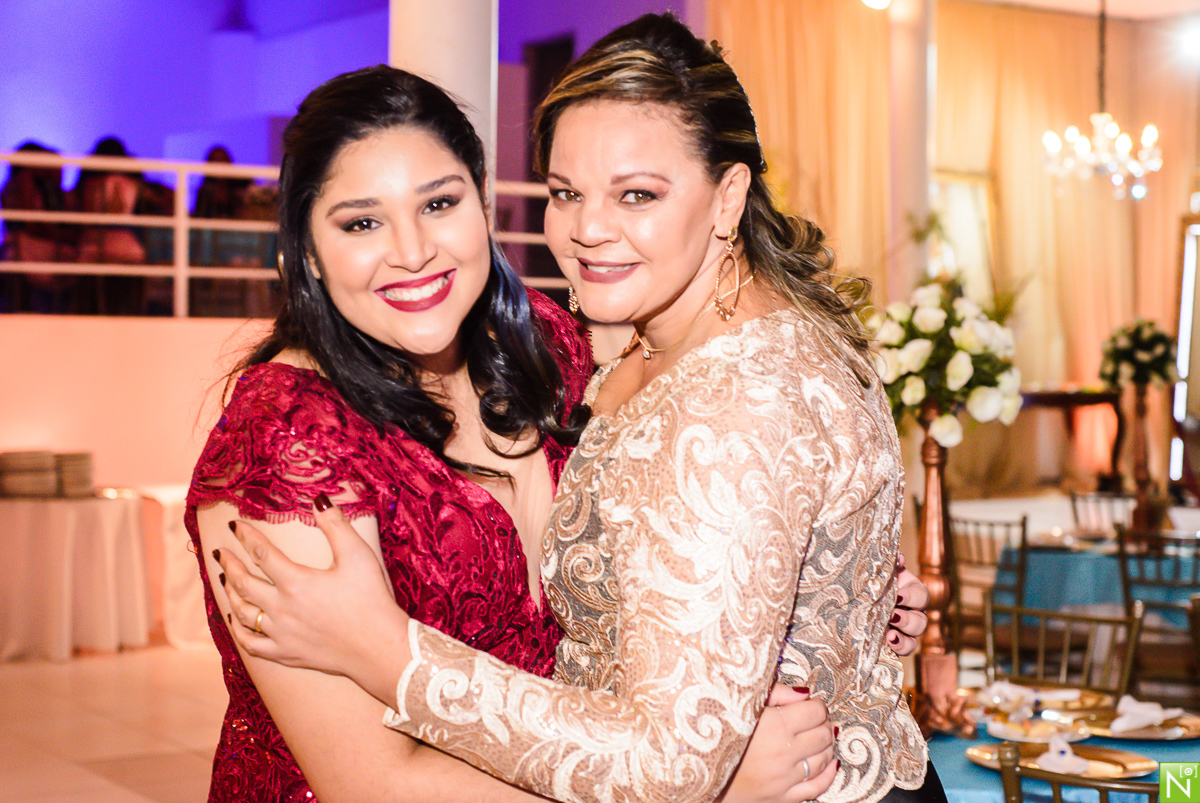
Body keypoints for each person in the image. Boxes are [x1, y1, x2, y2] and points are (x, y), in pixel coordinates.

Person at [216, 14, 941, 803]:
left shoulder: (547, 349)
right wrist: (714, 774)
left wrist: (838, 598)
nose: (411, 249)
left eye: (439, 203)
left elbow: (674, 726)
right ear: (305, 253)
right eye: (566, 193)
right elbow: (371, 779)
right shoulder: (288, 438)